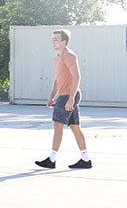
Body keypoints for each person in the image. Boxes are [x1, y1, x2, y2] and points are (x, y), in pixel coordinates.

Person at [36, 29, 91, 169]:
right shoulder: (57, 57)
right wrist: (52, 96)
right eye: (52, 39)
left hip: (68, 96)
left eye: (56, 39)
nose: (53, 42)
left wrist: (71, 99)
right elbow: (57, 79)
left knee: (57, 125)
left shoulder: (69, 56)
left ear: (64, 42)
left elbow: (77, 76)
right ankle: (85, 160)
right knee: (75, 127)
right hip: (63, 95)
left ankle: (51, 159)